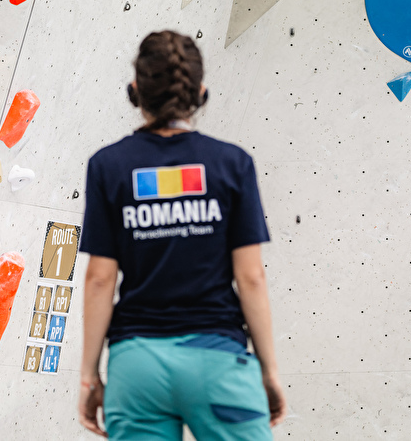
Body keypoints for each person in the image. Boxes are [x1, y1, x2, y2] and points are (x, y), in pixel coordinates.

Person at [78, 31, 286, 440]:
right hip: (219, 362)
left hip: (136, 369)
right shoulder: (232, 164)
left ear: (135, 90)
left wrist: (90, 375)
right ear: (201, 92)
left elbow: (100, 279)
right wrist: (269, 370)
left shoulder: (107, 166)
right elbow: (251, 278)